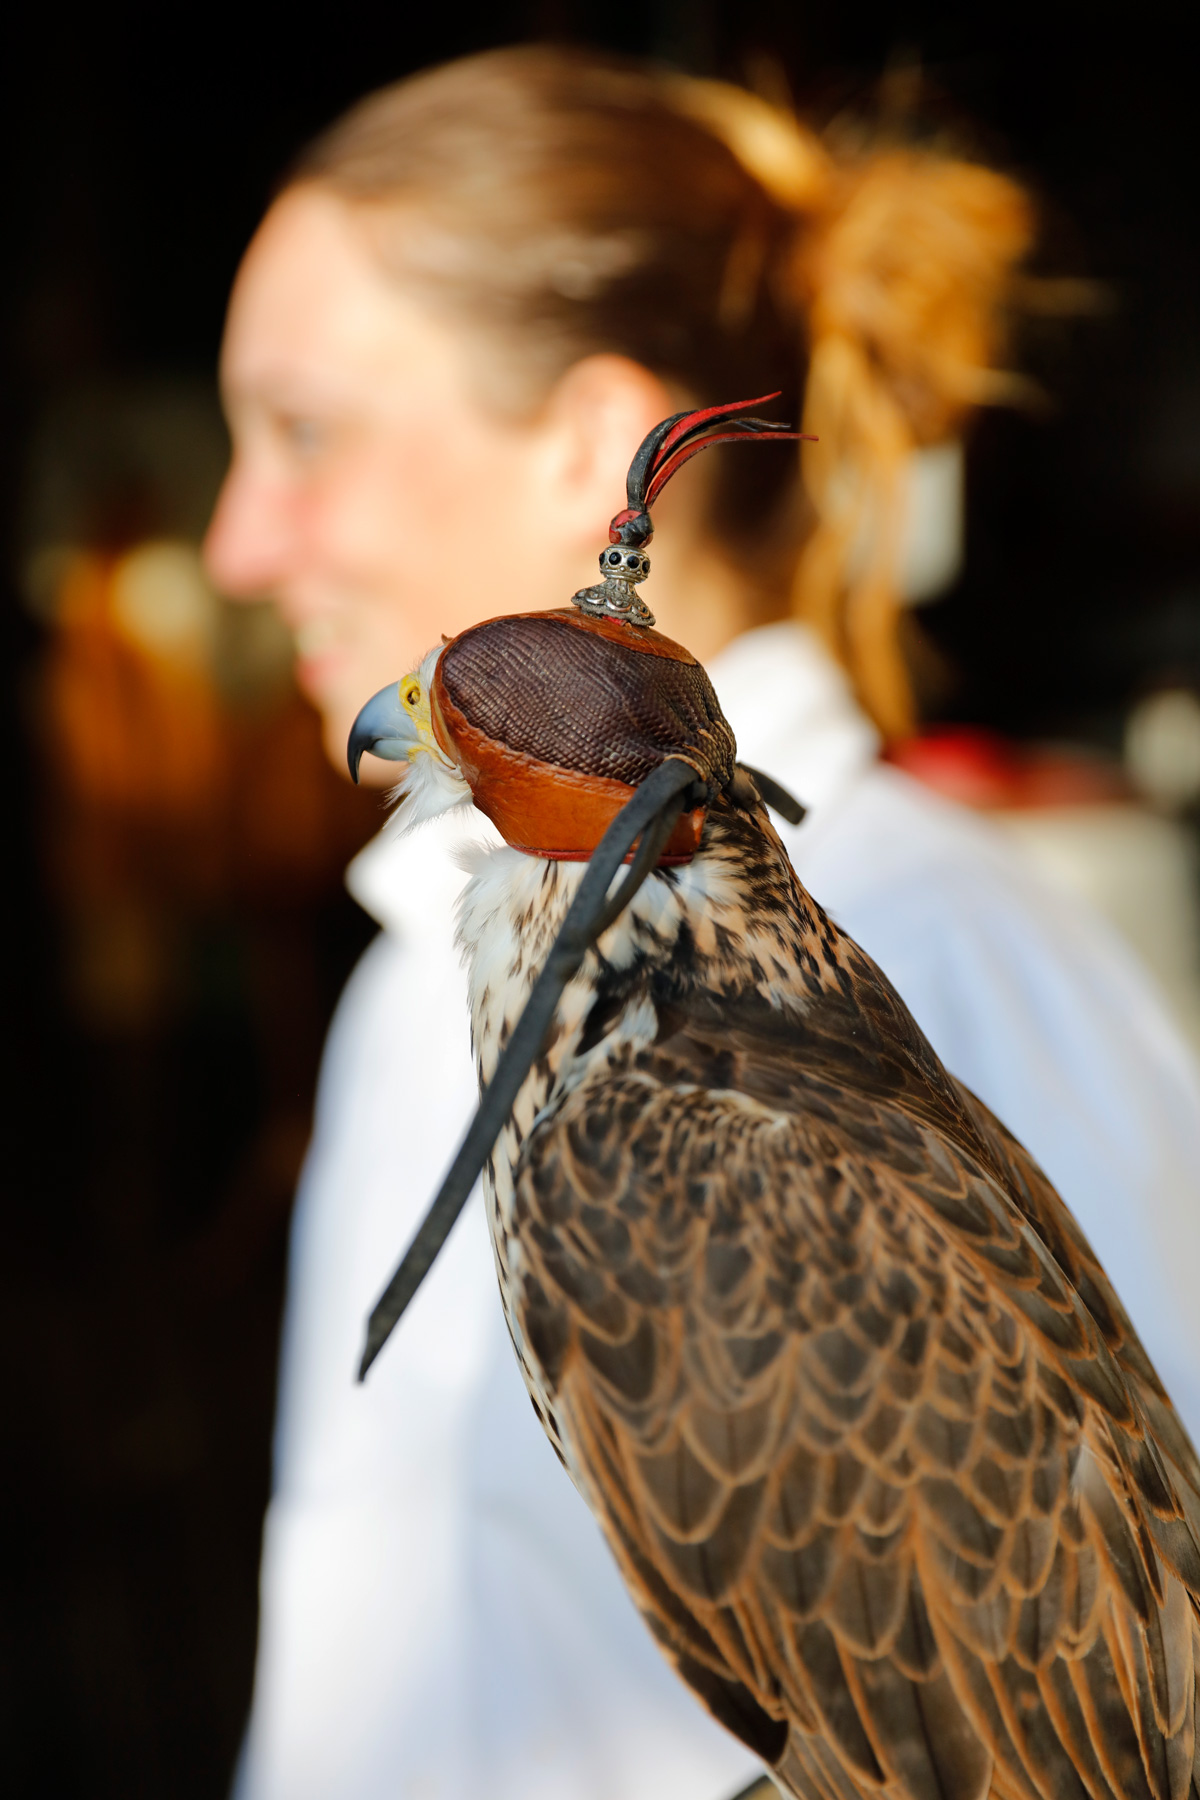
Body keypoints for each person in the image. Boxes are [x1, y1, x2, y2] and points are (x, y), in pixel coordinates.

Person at [204, 46, 1200, 1800]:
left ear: (598, 435)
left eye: (304, 430)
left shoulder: (949, 952)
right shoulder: (431, 963)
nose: (235, 538)